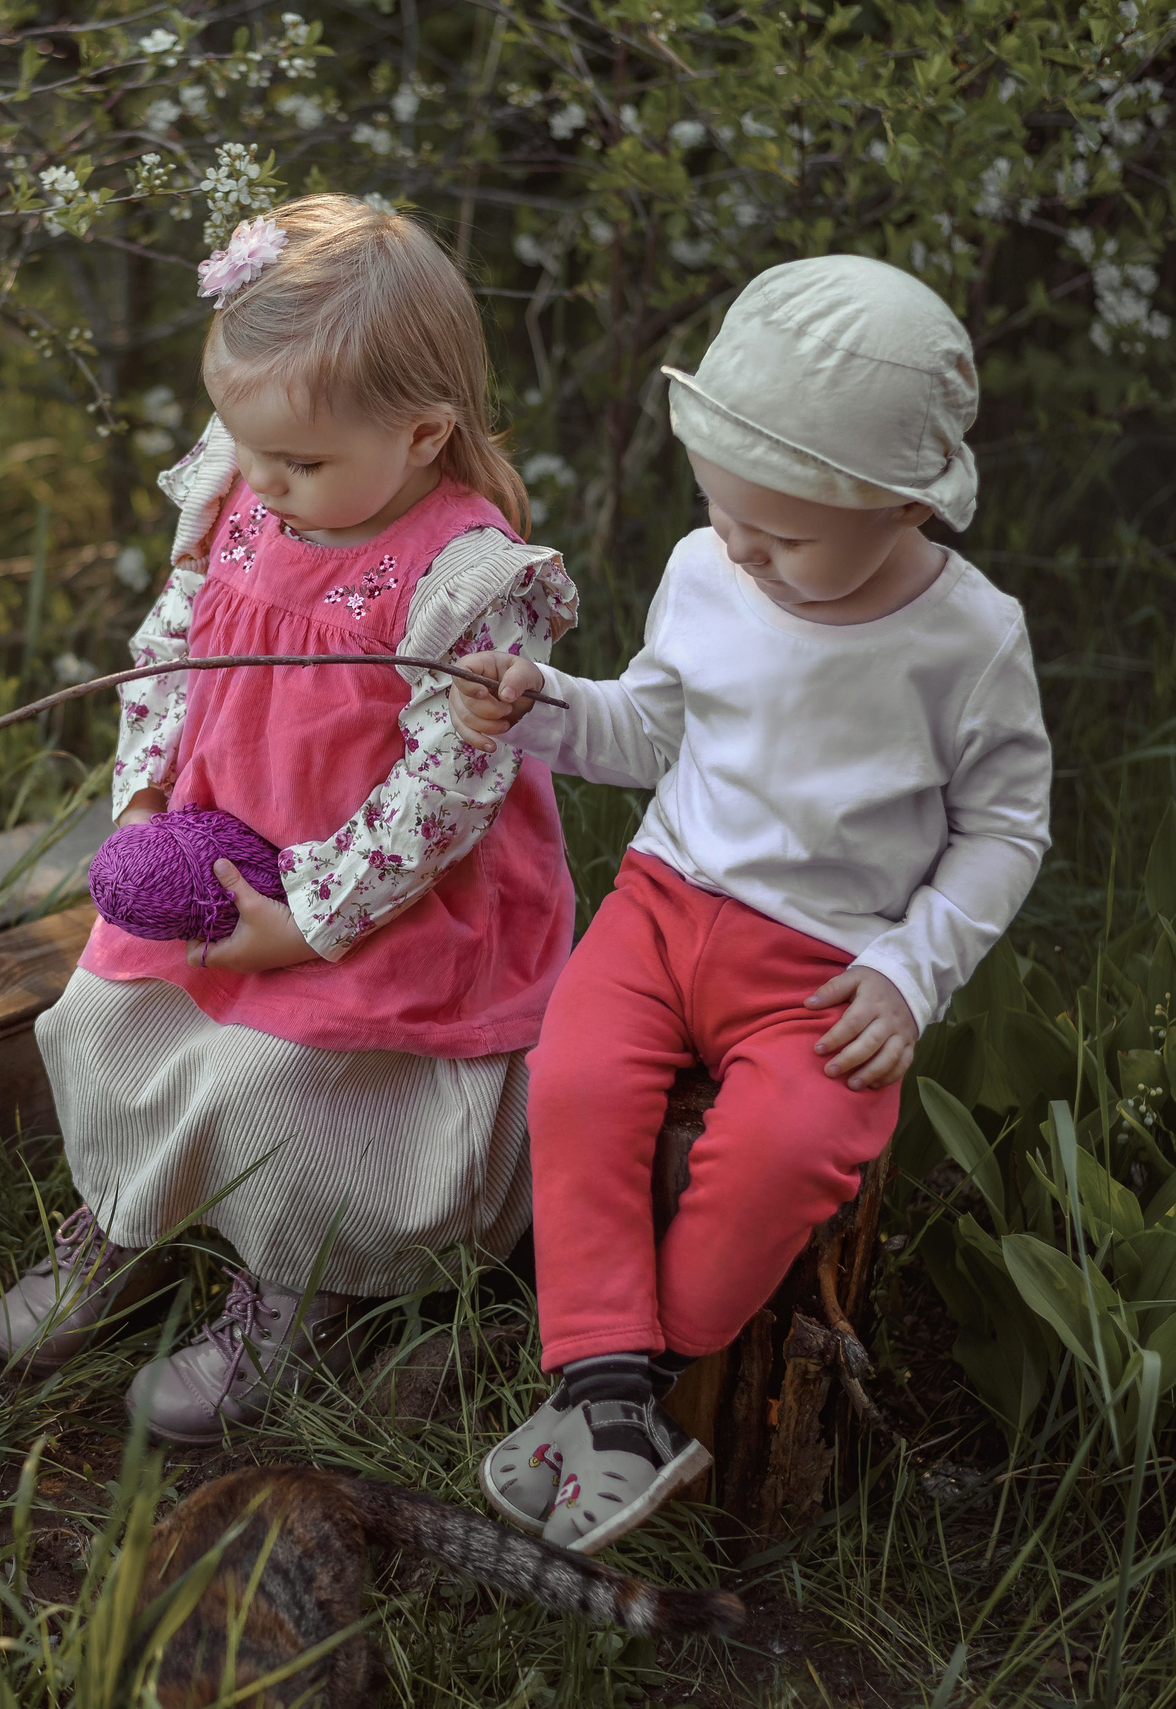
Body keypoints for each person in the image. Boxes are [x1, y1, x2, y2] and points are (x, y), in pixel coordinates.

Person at [449, 255, 1053, 1552]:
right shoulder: (704, 570)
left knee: (788, 1146)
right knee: (577, 1080)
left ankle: (627, 1387)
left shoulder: (968, 639)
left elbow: (1007, 827)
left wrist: (910, 969)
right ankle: (609, 1394)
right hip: (666, 904)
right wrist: (545, 706)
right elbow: (653, 725)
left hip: (829, 963)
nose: (740, 551)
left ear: (903, 508)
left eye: (778, 536)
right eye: (724, 516)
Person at [0, 194, 580, 1441]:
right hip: (223, 833)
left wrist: (306, 923)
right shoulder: (243, 490)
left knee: (283, 1077)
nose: (261, 482)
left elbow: (446, 789)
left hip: (382, 892)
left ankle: (295, 1284)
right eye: (246, 448)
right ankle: (128, 1220)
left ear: (422, 434)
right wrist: (148, 787)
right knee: (106, 1015)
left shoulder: (466, 580)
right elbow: (169, 645)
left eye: (297, 463)